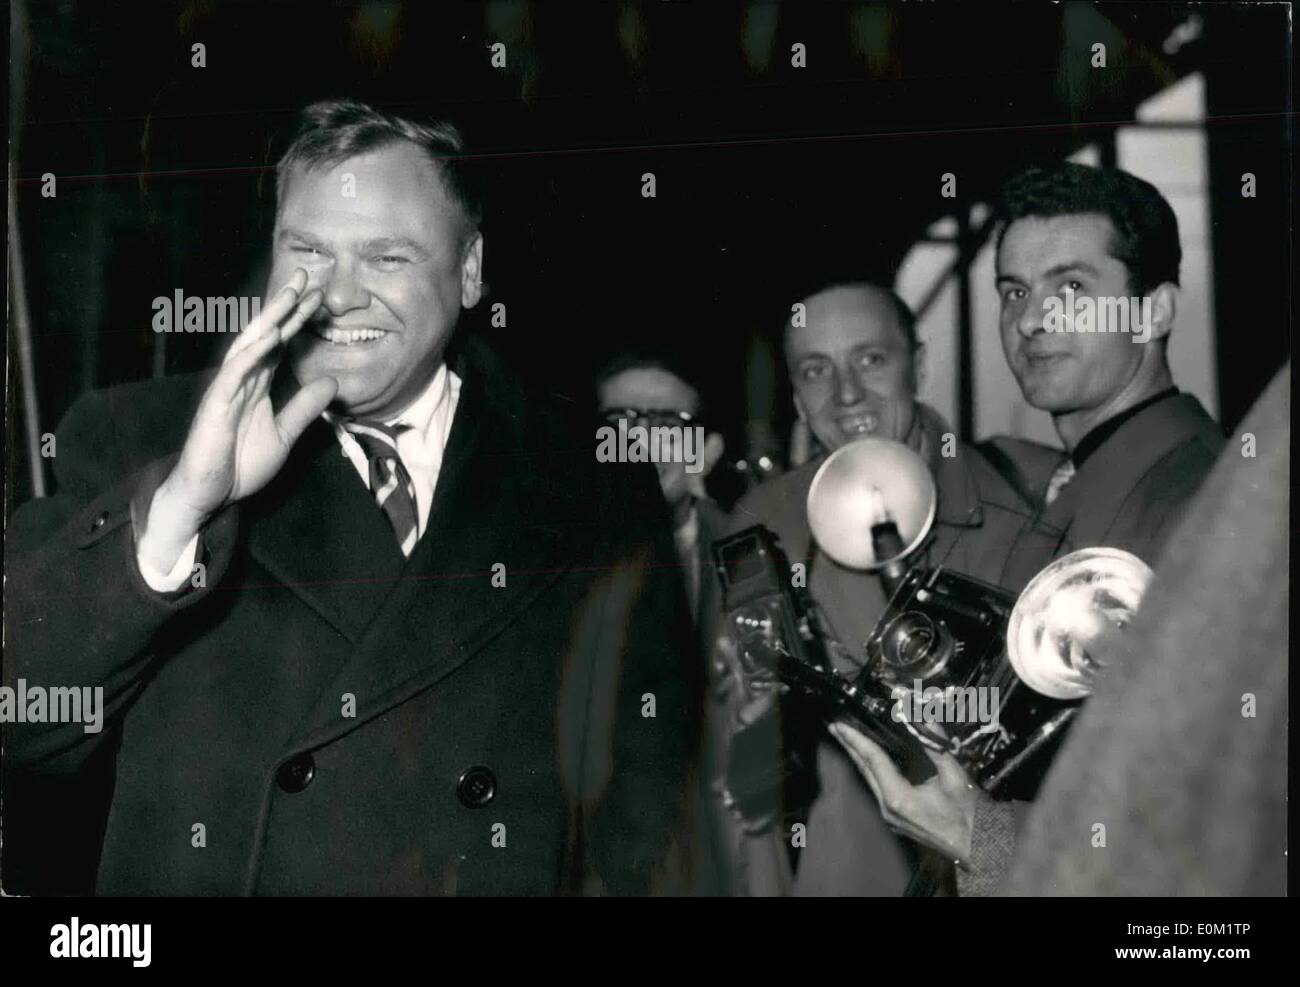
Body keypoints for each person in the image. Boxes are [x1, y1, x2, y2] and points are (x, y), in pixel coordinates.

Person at [3, 99, 699, 895]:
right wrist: (180, 512)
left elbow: (649, 827)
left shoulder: (593, 485)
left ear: (470, 271)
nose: (337, 296)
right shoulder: (135, 440)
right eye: (307, 250)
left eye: (387, 258)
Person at [831, 162, 1227, 895]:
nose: (1031, 319)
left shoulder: (1205, 508)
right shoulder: (1076, 486)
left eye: (1071, 288)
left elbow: (1221, 841)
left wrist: (976, 834)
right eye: (1015, 291)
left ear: (1153, 312)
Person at [716, 281, 1041, 896]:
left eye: (871, 359)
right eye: (816, 370)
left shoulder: (1029, 491)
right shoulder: (761, 525)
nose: (845, 395)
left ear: (917, 364)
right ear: (797, 395)